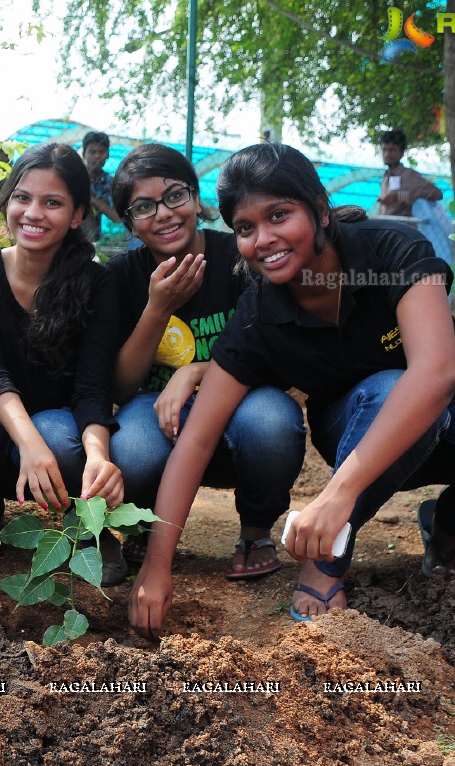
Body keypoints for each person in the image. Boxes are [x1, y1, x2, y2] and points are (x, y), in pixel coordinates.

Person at [129, 142, 455, 641]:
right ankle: (326, 562)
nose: (264, 239)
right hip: (355, 424)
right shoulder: (259, 315)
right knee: (387, 389)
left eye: (279, 215)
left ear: (320, 210)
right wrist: (157, 563)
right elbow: (196, 440)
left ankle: (448, 528)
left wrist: (337, 495)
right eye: (245, 228)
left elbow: (436, 376)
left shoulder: (389, 251)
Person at [106, 144, 304, 579]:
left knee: (274, 422)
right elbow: (119, 388)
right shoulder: (121, 278)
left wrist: (195, 371)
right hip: (156, 408)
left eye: (175, 196)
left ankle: (254, 532)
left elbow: (277, 359)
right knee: (131, 449)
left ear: (197, 200)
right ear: (130, 225)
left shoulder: (240, 258)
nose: (163, 214)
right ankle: (144, 526)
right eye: (144, 207)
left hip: (244, 403)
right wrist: (157, 309)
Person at [0, 142, 126, 583]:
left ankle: (89, 524)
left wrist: (98, 458)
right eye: (23, 198)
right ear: (7, 200)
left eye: (52, 203)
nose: (33, 213)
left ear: (76, 215)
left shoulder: (95, 283)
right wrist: (28, 443)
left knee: (61, 435)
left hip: (61, 427)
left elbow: (92, 385)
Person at [378, 129, 443, 217]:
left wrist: (400, 196)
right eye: (384, 149)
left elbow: (437, 193)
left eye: (391, 150)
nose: (387, 154)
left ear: (401, 153)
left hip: (404, 227)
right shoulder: (386, 177)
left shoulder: (409, 175)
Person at [80, 131, 121, 242]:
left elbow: (116, 217)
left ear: (107, 154)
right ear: (84, 154)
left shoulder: (110, 181)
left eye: (101, 152)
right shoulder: (76, 176)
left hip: (93, 238)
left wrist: (90, 198)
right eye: (92, 152)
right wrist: (101, 203)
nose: (97, 156)